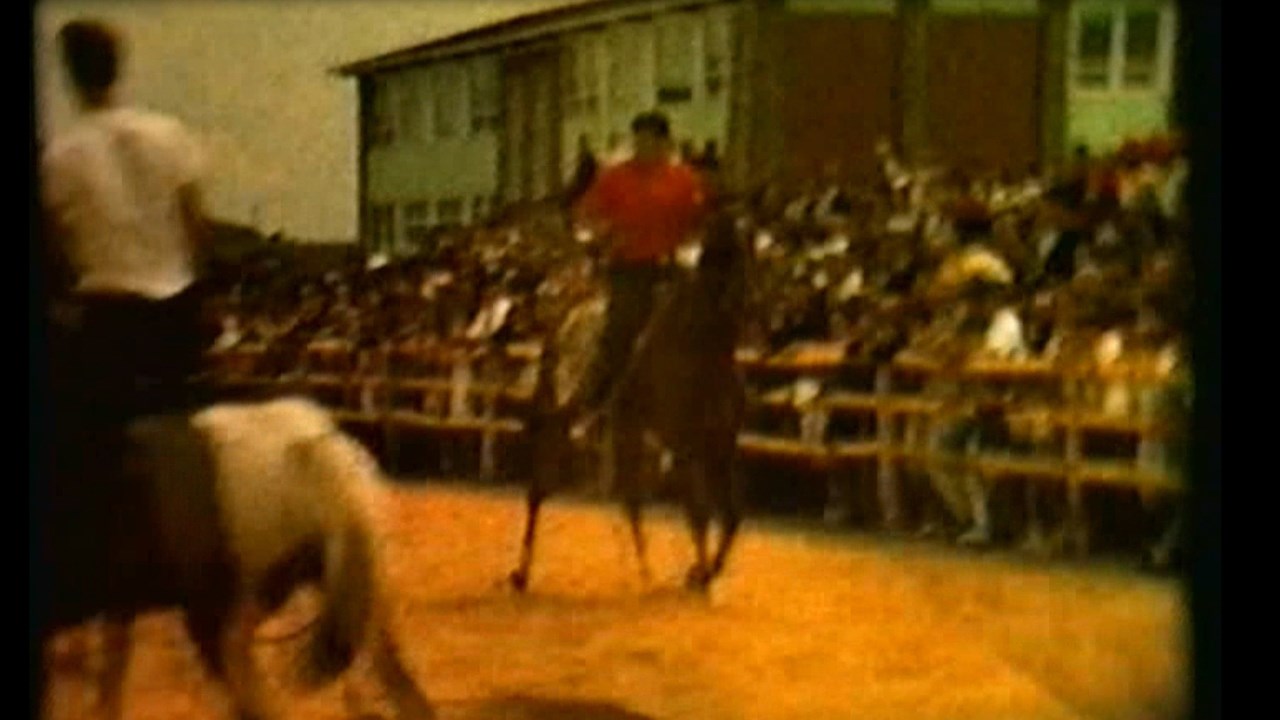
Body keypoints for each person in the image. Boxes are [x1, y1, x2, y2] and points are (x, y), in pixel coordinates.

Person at [42, 18, 212, 440]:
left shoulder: (61, 156)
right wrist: (199, 295)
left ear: (68, 72)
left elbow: (55, 245)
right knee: (178, 432)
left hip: (106, 311)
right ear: (119, 65)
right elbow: (195, 223)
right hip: (174, 308)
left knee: (101, 443)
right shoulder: (168, 134)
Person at [570, 111, 708, 431]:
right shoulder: (614, 179)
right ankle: (596, 403)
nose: (642, 148)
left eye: (649, 141)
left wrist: (693, 245)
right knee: (620, 331)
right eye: (638, 141)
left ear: (664, 143)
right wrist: (602, 234)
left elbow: (698, 221)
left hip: (673, 269)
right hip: (630, 268)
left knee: (704, 323)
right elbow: (586, 219)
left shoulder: (684, 180)